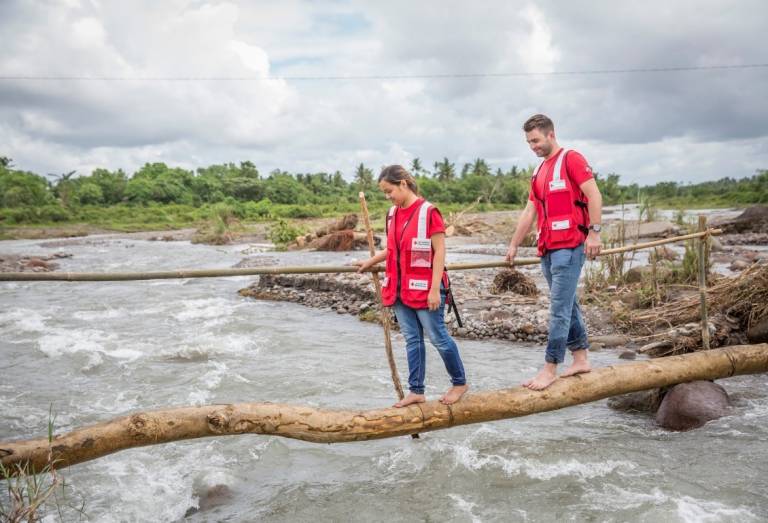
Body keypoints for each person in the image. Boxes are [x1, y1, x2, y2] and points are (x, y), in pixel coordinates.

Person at [356, 165, 468, 407]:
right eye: (385, 193)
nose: (388, 197)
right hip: (398, 289)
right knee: (412, 340)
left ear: (403, 184)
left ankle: (459, 383)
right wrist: (370, 262)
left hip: (425, 289)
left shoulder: (429, 212)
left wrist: (435, 289)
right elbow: (392, 248)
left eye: (389, 191)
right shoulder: (392, 214)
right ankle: (416, 390)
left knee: (438, 338)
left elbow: (440, 252)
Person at [506, 114, 603, 391]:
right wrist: (513, 244)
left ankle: (550, 368)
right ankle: (581, 358)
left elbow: (594, 195)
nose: (533, 146)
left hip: (570, 246)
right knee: (568, 304)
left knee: (558, 310)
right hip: (547, 249)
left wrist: (594, 233)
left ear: (551, 134)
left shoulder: (571, 159)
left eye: (536, 140)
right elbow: (530, 211)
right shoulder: (538, 171)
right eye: (528, 142)